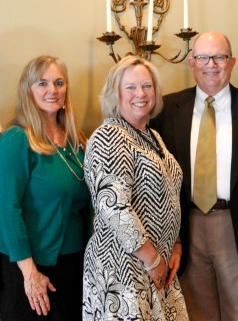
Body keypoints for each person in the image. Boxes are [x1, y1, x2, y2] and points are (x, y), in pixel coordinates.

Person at [151, 31, 238, 321]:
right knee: (196, 314)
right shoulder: (166, 110)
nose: (211, 64)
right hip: (186, 232)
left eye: (219, 57)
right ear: (192, 62)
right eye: (203, 57)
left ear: (232, 62)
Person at [82, 56, 188, 320]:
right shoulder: (110, 136)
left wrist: (175, 245)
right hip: (124, 266)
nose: (140, 94)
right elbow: (114, 206)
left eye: (147, 86)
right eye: (130, 87)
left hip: (157, 266)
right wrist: (152, 259)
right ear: (115, 93)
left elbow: (169, 194)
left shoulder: (153, 136)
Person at [0, 55, 90, 320]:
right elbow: (8, 210)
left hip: (73, 262)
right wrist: (29, 272)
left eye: (59, 82)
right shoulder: (16, 139)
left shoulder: (76, 142)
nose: (53, 90)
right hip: (31, 264)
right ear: (28, 90)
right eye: (42, 83)